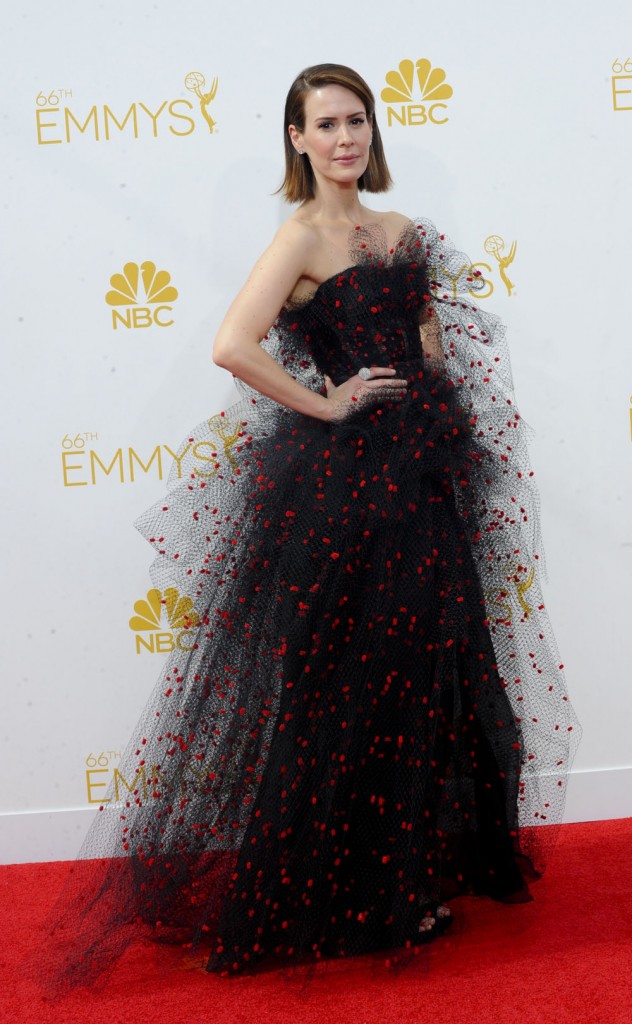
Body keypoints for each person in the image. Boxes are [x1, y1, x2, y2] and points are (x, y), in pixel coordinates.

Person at [39, 63, 578, 991]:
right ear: (296, 138)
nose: (345, 138)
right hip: (348, 499)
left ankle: (403, 876)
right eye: (325, 123)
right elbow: (230, 345)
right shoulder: (299, 237)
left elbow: (429, 348)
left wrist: (438, 420)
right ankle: (337, 898)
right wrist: (326, 407)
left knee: (428, 679)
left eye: (357, 121)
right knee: (348, 684)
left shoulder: (403, 231)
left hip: (423, 481)